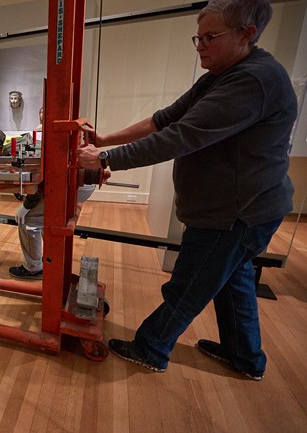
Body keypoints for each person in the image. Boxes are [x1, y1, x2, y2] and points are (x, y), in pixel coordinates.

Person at [77, 0, 296, 380]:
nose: (201, 46)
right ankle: (245, 356)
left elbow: (180, 137)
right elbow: (165, 119)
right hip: (236, 209)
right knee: (233, 283)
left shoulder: (254, 79)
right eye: (198, 37)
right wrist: (104, 138)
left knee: (189, 286)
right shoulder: (222, 74)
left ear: (247, 34)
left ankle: (151, 347)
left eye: (211, 37)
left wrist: (106, 159)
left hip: (235, 212)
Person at [0, 127, 95, 279]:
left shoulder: (12, 154)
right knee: (45, 219)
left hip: (75, 183)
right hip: (78, 179)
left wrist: (26, 207)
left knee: (27, 220)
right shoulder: (20, 140)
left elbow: (34, 185)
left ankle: (34, 268)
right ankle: (51, 260)